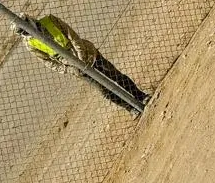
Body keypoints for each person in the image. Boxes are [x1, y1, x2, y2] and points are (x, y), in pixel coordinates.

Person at [21, 14, 149, 115]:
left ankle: (140, 96)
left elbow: (72, 36)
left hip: (87, 53)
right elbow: (48, 62)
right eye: (22, 30)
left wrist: (81, 57)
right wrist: (69, 69)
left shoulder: (49, 20)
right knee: (104, 90)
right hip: (74, 67)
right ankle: (130, 108)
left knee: (114, 75)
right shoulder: (30, 44)